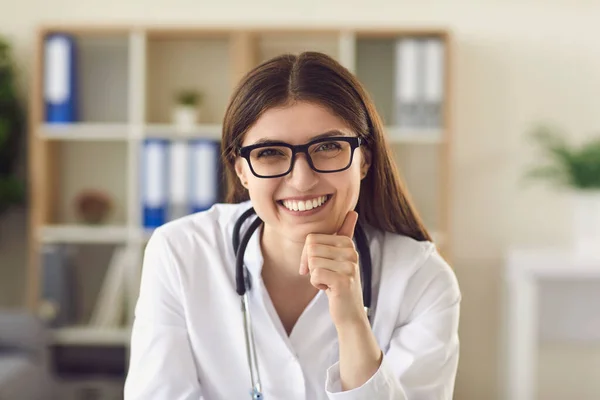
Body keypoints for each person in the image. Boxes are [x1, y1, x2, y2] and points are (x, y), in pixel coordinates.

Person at [124, 51, 461, 400]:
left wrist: (352, 323)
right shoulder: (180, 252)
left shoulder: (421, 279)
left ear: (364, 159)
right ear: (241, 170)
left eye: (328, 146)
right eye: (270, 152)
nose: (302, 180)